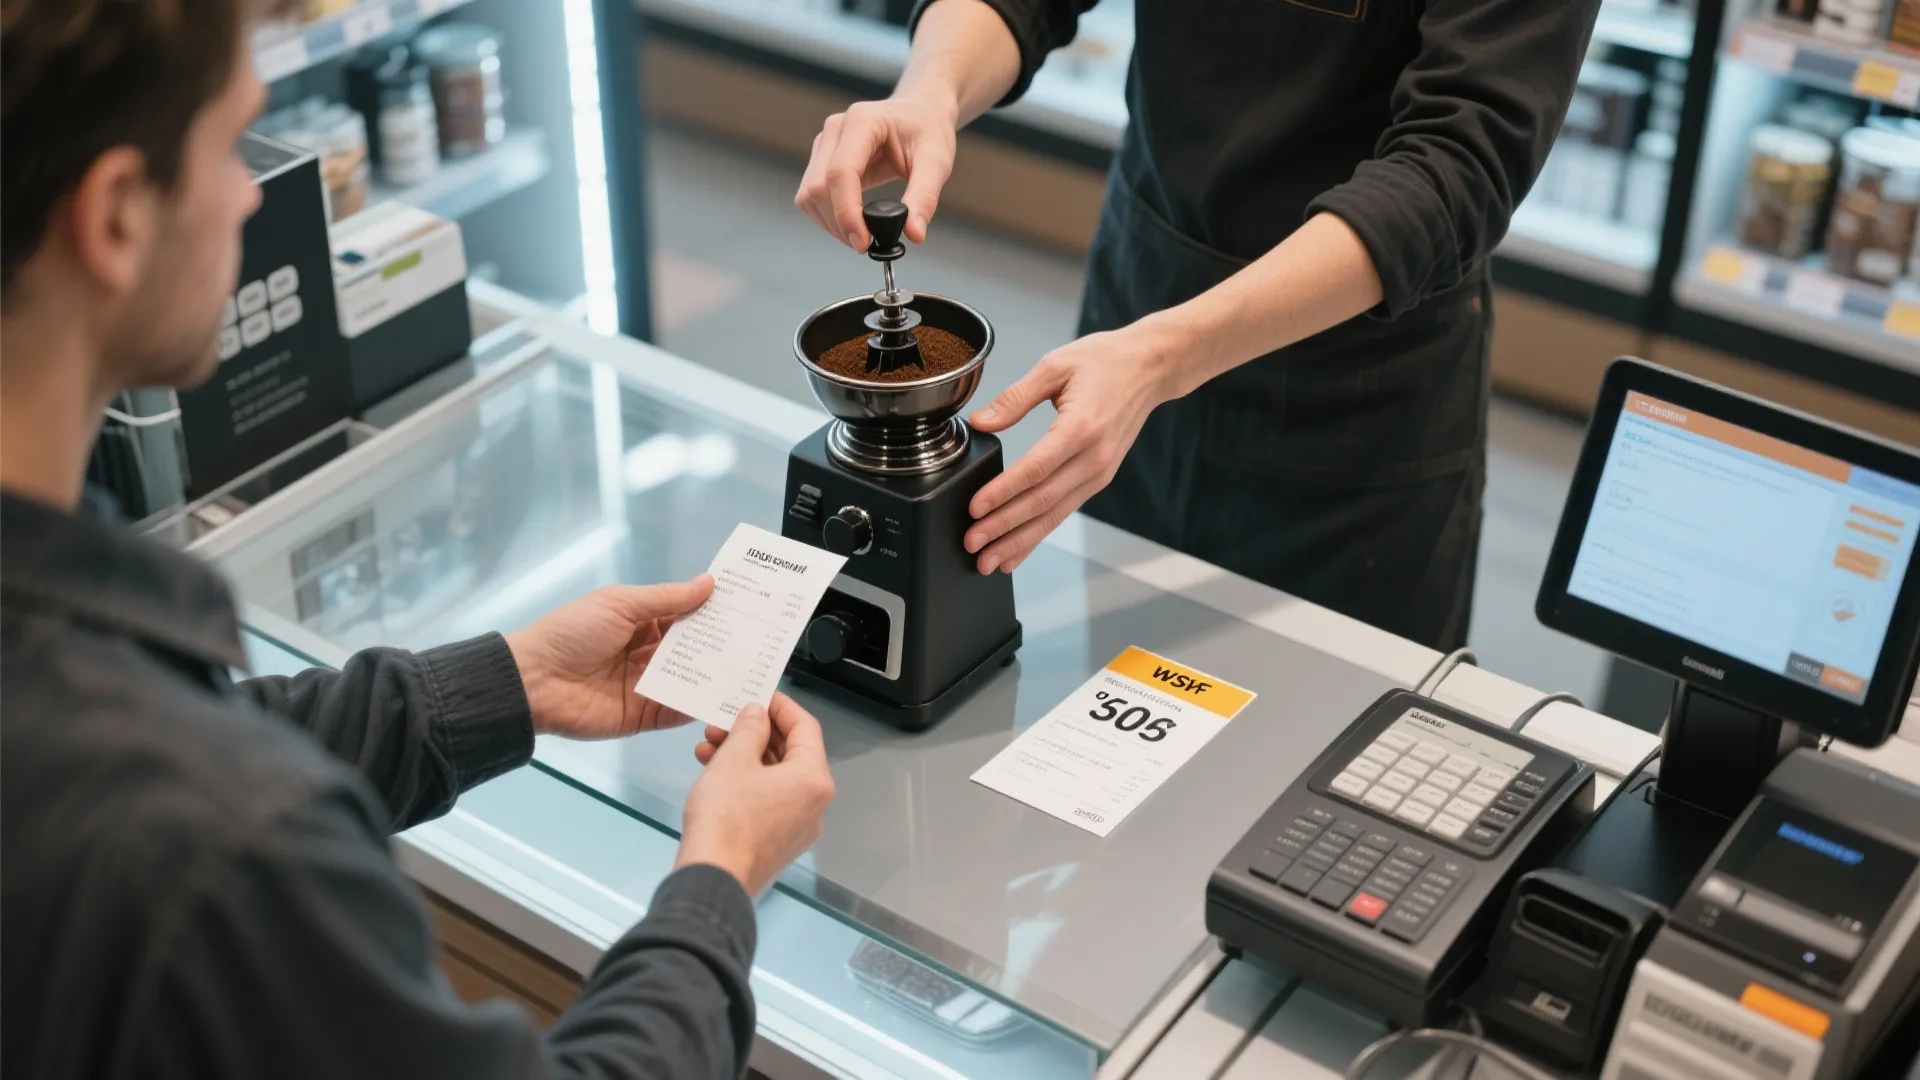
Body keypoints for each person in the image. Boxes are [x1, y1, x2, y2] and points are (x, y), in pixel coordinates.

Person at [0, 2, 833, 1077]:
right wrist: (720, 880)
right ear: (116, 215)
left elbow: (162, 735)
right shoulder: (220, 854)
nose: (252, 194)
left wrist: (507, 683)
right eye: (232, 145)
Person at [795, 0, 1602, 650]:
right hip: (1143, 297)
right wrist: (931, 92)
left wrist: (1162, 357)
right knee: (1110, 711)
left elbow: (1457, 163)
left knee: (1314, 756)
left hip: (1349, 399)